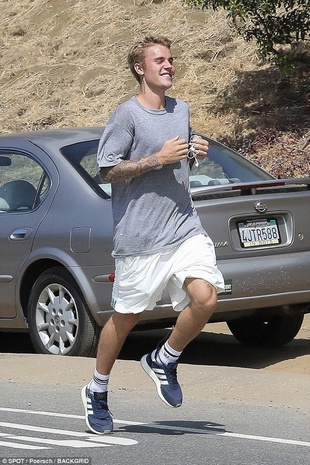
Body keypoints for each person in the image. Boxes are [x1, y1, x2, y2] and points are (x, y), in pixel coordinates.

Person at [81, 36, 225, 435]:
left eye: (171, 59)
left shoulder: (181, 109)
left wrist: (196, 151)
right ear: (140, 69)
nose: (169, 65)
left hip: (183, 225)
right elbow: (106, 170)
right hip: (140, 237)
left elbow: (180, 157)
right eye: (159, 60)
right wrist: (155, 159)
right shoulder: (126, 115)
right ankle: (97, 388)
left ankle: (164, 358)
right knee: (126, 319)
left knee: (206, 296)